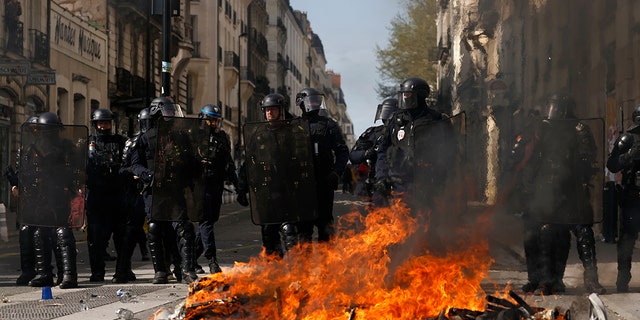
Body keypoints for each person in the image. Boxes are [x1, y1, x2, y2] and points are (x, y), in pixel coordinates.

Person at [519, 93, 604, 295]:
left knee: (584, 231)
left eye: (556, 107)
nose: (553, 111)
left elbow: (588, 158)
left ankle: (591, 279)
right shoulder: (543, 128)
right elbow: (529, 156)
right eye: (551, 106)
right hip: (546, 190)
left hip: (572, 189)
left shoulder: (579, 129)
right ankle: (542, 279)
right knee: (539, 230)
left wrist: (576, 170)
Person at [237, 93, 317, 255]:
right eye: (267, 110)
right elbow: (249, 163)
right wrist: (241, 187)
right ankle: (275, 270)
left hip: (288, 190)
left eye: (273, 109)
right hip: (266, 192)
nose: (269, 113)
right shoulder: (259, 135)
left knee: (289, 231)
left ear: (281, 110)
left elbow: (305, 160)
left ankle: (297, 270)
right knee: (268, 234)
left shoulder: (294, 131)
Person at [131, 96, 199, 284]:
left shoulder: (181, 137)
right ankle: (160, 270)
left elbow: (192, 160)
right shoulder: (145, 138)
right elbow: (135, 165)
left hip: (175, 190)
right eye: (166, 111)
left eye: (171, 111)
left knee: (184, 228)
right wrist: (148, 175)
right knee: (155, 228)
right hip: (154, 191)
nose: (170, 115)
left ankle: (186, 269)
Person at [14, 112, 85, 289]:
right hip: (39, 196)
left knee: (62, 233)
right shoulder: (31, 149)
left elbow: (76, 170)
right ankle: (44, 273)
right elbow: (26, 172)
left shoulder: (66, 147)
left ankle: (68, 274)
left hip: (59, 194)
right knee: (39, 233)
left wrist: (73, 186)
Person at [374, 77, 453, 208]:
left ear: (420, 96)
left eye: (408, 95)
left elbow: (450, 151)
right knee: (401, 222)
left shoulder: (436, 119)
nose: (405, 98)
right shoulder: (395, 119)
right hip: (399, 181)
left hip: (427, 182)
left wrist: (445, 179)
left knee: (426, 222)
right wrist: (381, 176)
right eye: (403, 95)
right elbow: (382, 149)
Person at [295, 88, 349, 243]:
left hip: (323, 181)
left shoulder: (329, 125)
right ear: (302, 103)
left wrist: (336, 172)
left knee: (325, 226)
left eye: (316, 101)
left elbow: (342, 151)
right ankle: (304, 265)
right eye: (311, 101)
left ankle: (327, 265)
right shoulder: (294, 126)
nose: (314, 104)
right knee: (303, 230)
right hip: (302, 185)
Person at [194, 104, 238, 274]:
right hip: (201, 185)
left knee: (210, 221)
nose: (214, 123)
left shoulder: (223, 137)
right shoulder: (196, 137)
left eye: (216, 120)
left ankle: (190, 258)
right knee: (205, 222)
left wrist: (237, 184)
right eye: (211, 120)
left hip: (217, 185)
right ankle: (212, 260)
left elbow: (229, 162)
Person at [85, 108, 128, 283]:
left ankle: (122, 271)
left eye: (107, 123)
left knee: (121, 237)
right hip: (96, 196)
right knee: (95, 238)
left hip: (117, 196)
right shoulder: (88, 143)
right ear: (95, 124)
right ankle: (97, 272)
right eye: (101, 123)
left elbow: (128, 162)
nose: (104, 126)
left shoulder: (121, 142)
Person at [606, 103, 640, 292]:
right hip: (633, 197)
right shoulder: (627, 139)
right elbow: (612, 165)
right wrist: (628, 156)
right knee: (627, 240)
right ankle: (623, 276)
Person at [349, 98, 398, 199]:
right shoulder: (374, 133)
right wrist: (366, 153)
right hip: (378, 182)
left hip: (400, 183)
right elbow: (354, 156)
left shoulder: (405, 132)